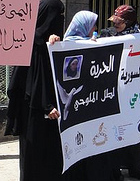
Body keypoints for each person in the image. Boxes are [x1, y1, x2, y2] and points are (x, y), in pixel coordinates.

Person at [49, 10, 119, 181]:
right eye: (92, 24)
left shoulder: (93, 44)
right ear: (83, 26)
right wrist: (54, 43)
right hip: (76, 110)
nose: (95, 28)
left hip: (92, 106)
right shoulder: (65, 46)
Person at [5, 0, 67, 181]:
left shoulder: (49, 44)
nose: (60, 20)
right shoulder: (32, 45)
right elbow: (31, 82)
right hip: (33, 110)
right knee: (33, 157)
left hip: (49, 110)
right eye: (57, 15)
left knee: (50, 156)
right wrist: (47, 105)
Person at [100, 5, 140, 181]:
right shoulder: (107, 35)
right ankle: (115, 169)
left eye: (119, 23)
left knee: (133, 129)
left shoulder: (139, 38)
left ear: (129, 22)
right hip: (113, 92)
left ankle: (136, 167)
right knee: (115, 131)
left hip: (132, 92)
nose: (115, 26)